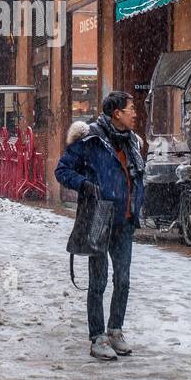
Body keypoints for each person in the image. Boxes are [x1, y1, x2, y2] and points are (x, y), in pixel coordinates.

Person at [54, 91, 146, 362]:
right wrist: (86, 185)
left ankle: (115, 329)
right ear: (116, 113)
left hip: (125, 221)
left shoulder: (132, 142)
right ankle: (97, 337)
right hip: (99, 220)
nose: (135, 113)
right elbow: (62, 171)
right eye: (131, 109)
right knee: (99, 281)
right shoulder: (90, 140)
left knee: (124, 280)